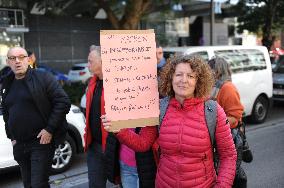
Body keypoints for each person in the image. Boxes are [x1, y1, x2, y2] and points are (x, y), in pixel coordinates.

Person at [156, 55, 237, 187]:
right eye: (178, 74)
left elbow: (228, 155)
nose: (184, 80)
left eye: (190, 76)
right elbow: (142, 143)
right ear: (170, 77)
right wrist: (120, 130)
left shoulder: (213, 111)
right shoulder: (160, 108)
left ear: (198, 81)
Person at [84, 45, 157, 188]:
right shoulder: (92, 83)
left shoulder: (123, 87)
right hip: (99, 146)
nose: (88, 64)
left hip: (117, 147)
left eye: (90, 61)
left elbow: (143, 143)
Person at [1, 46, 70, 188]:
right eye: (13, 58)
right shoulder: (7, 82)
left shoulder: (43, 77)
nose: (17, 61)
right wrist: (12, 137)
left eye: (21, 57)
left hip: (40, 143)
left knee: (39, 184)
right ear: (8, 62)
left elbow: (63, 102)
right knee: (28, 184)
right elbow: (6, 111)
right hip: (20, 144)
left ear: (28, 60)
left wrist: (49, 129)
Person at [208, 57, 247, 188]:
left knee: (229, 174)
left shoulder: (228, 88)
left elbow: (235, 118)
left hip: (228, 140)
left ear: (218, 71)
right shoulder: (212, 86)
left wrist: (212, 123)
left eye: (210, 69)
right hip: (215, 141)